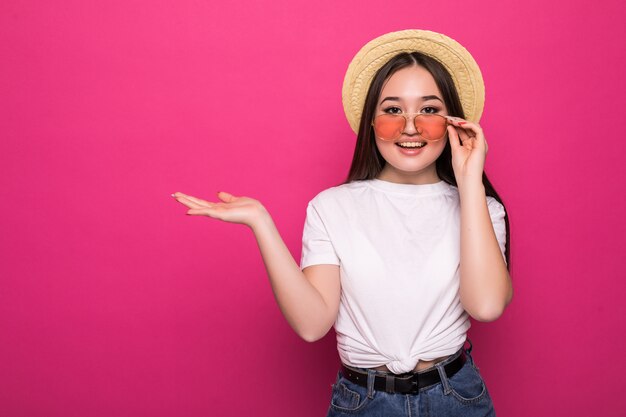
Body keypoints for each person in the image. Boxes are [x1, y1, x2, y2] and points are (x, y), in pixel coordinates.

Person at [172, 29, 512, 417]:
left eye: (430, 110)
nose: (411, 126)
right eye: (392, 109)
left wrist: (469, 182)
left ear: (454, 123)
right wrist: (260, 223)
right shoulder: (331, 208)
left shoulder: (482, 208)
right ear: (371, 122)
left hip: (456, 399)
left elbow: (485, 305)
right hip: (364, 402)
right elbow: (313, 324)